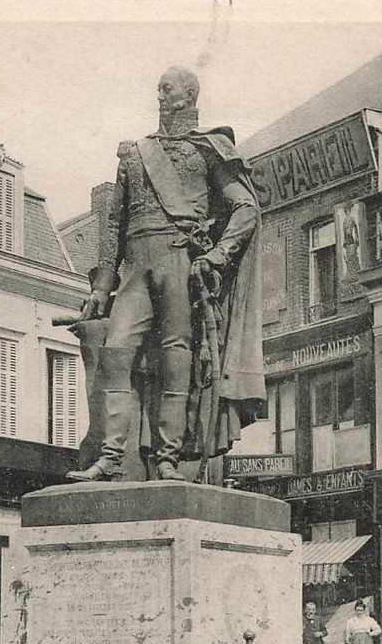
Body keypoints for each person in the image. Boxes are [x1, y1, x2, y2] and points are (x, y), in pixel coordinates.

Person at [66, 66, 265, 483]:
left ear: (188, 95)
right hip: (136, 267)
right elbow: (113, 224)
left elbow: (246, 207)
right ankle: (111, 457)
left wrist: (219, 254)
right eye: (157, 88)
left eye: (167, 88)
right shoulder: (135, 153)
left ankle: (168, 458)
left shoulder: (210, 149)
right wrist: (103, 287)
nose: (159, 95)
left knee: (178, 361)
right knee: (116, 352)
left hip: (179, 262)